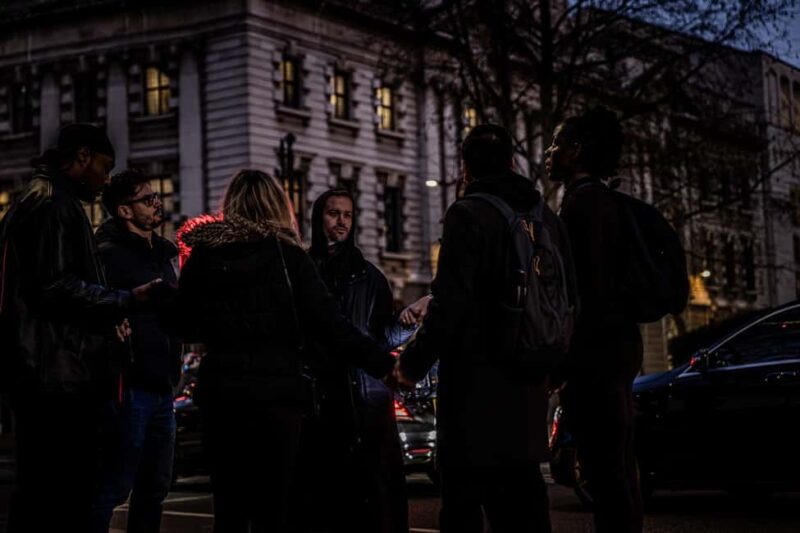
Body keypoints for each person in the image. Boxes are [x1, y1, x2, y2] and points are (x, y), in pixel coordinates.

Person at [176, 169, 396, 533]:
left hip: (223, 394)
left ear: (231, 205)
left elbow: (184, 325)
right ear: (277, 205)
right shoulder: (289, 257)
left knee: (229, 507)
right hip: (277, 395)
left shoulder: (204, 256)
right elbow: (332, 325)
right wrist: (386, 366)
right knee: (273, 507)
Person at [395, 124, 578, 533]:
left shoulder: (467, 214)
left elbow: (449, 304)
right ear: (512, 163)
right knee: (526, 504)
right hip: (527, 384)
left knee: (463, 505)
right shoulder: (545, 217)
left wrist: (410, 365)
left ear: (465, 168)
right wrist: (556, 366)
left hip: (473, 389)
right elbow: (569, 299)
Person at [0, 124, 160, 532]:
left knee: (44, 489)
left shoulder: (42, 198)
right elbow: (54, 286)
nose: (105, 179)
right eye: (104, 167)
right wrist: (124, 300)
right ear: (83, 156)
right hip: (55, 372)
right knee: (61, 491)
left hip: (45, 367)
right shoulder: (53, 204)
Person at [293, 188, 421, 533]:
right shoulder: (302, 269)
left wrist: (407, 322)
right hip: (319, 401)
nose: (341, 221)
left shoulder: (370, 276)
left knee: (371, 502)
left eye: (348, 215)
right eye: (333, 213)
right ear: (318, 217)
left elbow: (381, 338)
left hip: (364, 402)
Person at [545, 106, 644, 533]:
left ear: (577, 150)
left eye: (556, 145)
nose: (548, 153)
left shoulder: (580, 206)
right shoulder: (609, 202)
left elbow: (579, 295)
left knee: (605, 472)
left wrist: (562, 365)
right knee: (618, 469)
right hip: (620, 346)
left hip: (595, 356)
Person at [90, 169, 181, 533]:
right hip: (128, 386)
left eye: (155, 196)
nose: (156, 203)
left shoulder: (164, 252)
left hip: (162, 385)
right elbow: (94, 305)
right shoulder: (107, 255)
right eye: (147, 199)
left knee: (155, 487)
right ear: (124, 211)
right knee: (112, 486)